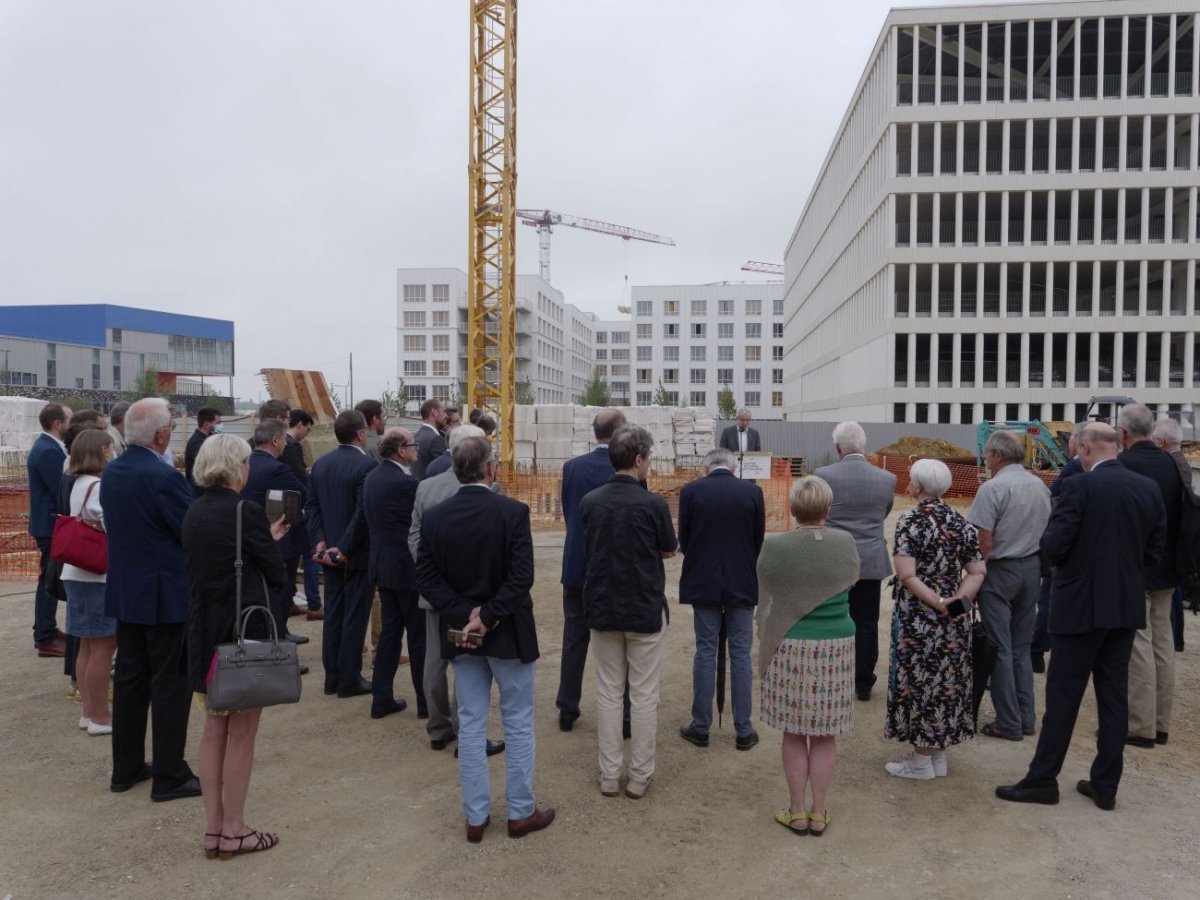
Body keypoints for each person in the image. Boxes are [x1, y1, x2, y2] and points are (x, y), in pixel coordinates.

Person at [997, 423, 1166, 810]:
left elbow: (1054, 545)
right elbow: (1156, 550)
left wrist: (1063, 569)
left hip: (1079, 607)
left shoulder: (1080, 486)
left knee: (1063, 696)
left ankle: (1042, 779)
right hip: (1125, 607)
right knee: (1112, 697)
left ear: (1085, 448)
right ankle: (1106, 785)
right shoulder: (1147, 488)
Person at [416, 436, 553, 842]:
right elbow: (521, 577)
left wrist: (465, 615)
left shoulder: (437, 517)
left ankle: (476, 816)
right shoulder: (511, 512)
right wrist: (487, 615)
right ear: (490, 469)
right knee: (517, 721)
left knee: (472, 724)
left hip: (463, 635)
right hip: (506, 631)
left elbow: (426, 577)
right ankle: (520, 811)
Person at [183, 433, 290, 859]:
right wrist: (272, 540)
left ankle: (213, 828)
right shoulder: (245, 510)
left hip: (204, 629)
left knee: (213, 731)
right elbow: (276, 573)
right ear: (236, 466)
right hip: (242, 632)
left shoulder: (193, 510)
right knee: (242, 734)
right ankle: (235, 828)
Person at [100, 397, 200, 801]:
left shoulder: (114, 471)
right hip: (163, 592)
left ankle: (125, 767)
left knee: (130, 680)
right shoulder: (162, 478)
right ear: (161, 435)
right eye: (172, 424)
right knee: (170, 684)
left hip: (128, 589)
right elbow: (189, 529)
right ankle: (169, 774)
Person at [757, 475, 860, 835]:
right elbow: (853, 578)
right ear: (827, 508)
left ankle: (796, 810)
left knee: (794, 730)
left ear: (791, 507)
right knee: (824, 733)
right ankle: (819, 811)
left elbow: (766, 595)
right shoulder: (845, 542)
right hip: (835, 645)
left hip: (790, 643)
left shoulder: (776, 547)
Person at [581, 425, 679, 799]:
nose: (649, 465)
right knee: (643, 694)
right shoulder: (652, 504)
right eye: (649, 459)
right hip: (643, 609)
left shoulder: (590, 501)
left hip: (603, 607)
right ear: (638, 460)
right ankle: (639, 775)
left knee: (608, 693)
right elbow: (669, 548)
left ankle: (609, 774)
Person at [884, 459, 986, 780]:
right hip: (954, 616)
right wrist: (956, 603)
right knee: (947, 681)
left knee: (921, 682)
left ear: (917, 486)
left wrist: (938, 602)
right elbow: (977, 571)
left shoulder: (910, 521)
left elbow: (907, 575)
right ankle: (937, 755)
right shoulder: (960, 521)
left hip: (919, 618)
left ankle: (921, 762)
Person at [408, 425, 505, 756]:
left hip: (434, 593)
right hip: (471, 596)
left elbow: (415, 537)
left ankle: (438, 727)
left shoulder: (426, 487)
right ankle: (467, 732)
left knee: (434, 662)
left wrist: (431, 575)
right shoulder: (486, 490)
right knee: (467, 663)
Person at [677, 447, 765, 751]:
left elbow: (684, 541)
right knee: (741, 654)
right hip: (742, 580)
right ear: (732, 467)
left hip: (704, 581)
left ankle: (700, 726)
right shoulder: (752, 493)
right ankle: (744, 729)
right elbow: (758, 540)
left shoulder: (691, 491)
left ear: (706, 468)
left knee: (705, 650)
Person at [968, 430, 1052, 741]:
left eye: (988, 454)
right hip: (1031, 569)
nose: (986, 459)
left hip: (1000, 571)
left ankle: (1008, 721)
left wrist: (975, 581)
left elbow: (984, 541)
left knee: (999, 648)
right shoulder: (1039, 486)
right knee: (1020, 647)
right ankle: (1026, 717)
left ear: (999, 456)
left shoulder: (993, 488)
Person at [814, 421, 896, 701]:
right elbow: (883, 513)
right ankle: (863, 682)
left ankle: (831, 673)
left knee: (831, 617)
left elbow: (818, 512)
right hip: (870, 560)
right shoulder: (887, 479)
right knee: (867, 622)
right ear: (864, 446)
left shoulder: (823, 475)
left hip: (834, 558)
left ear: (838, 448)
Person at [557, 408, 626, 732]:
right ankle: (624, 712)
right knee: (621, 642)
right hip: (615, 568)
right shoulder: (626, 468)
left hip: (577, 564)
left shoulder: (572, 468)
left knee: (574, 638)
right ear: (620, 431)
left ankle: (567, 708)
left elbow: (569, 513)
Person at [1117, 404, 1182, 749]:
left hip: (1136, 568)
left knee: (1138, 645)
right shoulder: (1172, 465)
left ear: (1124, 433)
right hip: (1168, 567)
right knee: (1163, 643)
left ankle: (1140, 726)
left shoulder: (1124, 465)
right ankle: (1160, 724)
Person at [304, 409, 376, 697]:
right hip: (354, 554)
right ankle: (349, 678)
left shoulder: (321, 464)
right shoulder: (367, 467)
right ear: (361, 433)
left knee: (334, 613)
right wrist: (344, 547)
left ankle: (332, 677)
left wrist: (320, 541)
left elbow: (312, 507)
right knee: (355, 616)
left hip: (328, 552)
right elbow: (362, 513)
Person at [362, 428, 423, 719]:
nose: (417, 450)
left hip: (383, 567)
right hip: (407, 571)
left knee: (389, 634)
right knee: (419, 638)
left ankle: (381, 697)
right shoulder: (405, 484)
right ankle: (426, 703)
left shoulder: (373, 477)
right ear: (401, 450)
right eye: (414, 445)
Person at [61, 428, 118, 735]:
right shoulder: (98, 485)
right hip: (97, 574)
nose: (112, 451)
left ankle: (89, 711)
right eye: (108, 447)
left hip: (78, 573)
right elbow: (110, 524)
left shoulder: (79, 482)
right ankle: (100, 716)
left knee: (87, 644)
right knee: (103, 647)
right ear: (100, 451)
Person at [240, 421, 309, 655]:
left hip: (248, 540)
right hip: (279, 539)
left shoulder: (245, 464)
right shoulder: (277, 469)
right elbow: (304, 494)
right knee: (280, 595)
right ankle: (278, 651)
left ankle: (278, 637)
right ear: (276, 440)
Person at [1032, 423, 1087, 673]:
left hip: (1065, 550)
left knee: (1049, 600)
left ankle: (1036, 650)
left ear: (1078, 440)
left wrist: (1049, 550)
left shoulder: (1074, 468)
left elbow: (1053, 503)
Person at [27, 401, 69, 657]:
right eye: (68, 420)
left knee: (49, 580)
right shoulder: (48, 451)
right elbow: (60, 489)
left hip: (48, 524)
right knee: (49, 582)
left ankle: (47, 629)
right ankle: (44, 636)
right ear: (57, 423)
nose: (70, 425)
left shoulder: (48, 447)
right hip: (50, 525)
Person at [1151, 417, 1192, 653]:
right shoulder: (1181, 463)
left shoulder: (1170, 466)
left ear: (1162, 441)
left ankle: (1176, 638)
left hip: (1166, 545)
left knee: (1168, 602)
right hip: (1175, 544)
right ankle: (1176, 638)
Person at [284, 409, 323, 620]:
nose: (307, 433)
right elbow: (298, 478)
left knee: (291, 559)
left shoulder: (283, 445)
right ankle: (315, 605)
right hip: (298, 508)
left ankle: (290, 602)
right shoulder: (291, 446)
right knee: (310, 556)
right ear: (299, 424)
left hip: (287, 509)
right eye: (307, 429)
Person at [184, 407, 223, 492]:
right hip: (199, 492)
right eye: (218, 423)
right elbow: (210, 466)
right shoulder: (197, 443)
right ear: (206, 425)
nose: (221, 425)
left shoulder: (208, 439)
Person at [413, 398, 447, 479]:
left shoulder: (416, 436)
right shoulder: (435, 439)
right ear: (434, 412)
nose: (446, 415)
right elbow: (443, 469)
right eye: (443, 411)